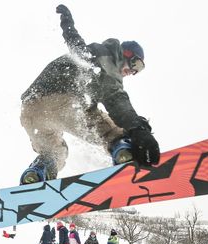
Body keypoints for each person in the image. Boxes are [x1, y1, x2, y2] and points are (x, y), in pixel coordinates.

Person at [19, 4, 160, 185]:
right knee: (113, 132)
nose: (132, 72)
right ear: (126, 54)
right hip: (63, 103)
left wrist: (67, 22)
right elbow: (116, 98)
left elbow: (73, 41)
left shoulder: (89, 53)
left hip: (30, 111)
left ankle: (37, 174)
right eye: (136, 65)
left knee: (55, 152)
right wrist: (138, 129)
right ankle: (126, 155)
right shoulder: (109, 58)